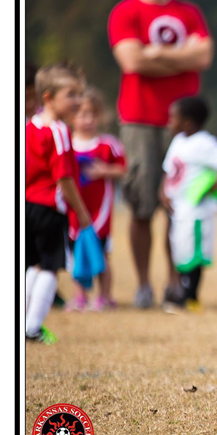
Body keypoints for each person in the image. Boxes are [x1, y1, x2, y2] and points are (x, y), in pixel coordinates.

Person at [108, 0, 214, 309]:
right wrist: (183, 56)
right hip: (141, 120)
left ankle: (174, 283)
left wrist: (156, 53)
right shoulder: (126, 11)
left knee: (178, 206)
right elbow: (132, 62)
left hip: (185, 124)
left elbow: (204, 56)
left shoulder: (189, 11)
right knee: (141, 204)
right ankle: (142, 285)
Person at [24, 63, 92, 342]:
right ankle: (33, 327)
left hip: (26, 207)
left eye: (79, 94)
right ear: (49, 97)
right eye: (71, 94)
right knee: (51, 268)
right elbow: (64, 178)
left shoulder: (29, 126)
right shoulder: (60, 131)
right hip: (50, 209)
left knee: (33, 265)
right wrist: (82, 212)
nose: (78, 101)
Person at [160, 96, 217, 314]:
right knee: (181, 250)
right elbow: (169, 170)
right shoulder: (178, 141)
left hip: (197, 210)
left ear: (188, 122)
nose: (168, 122)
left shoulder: (203, 142)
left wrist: (216, 186)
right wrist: (162, 192)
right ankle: (180, 292)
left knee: (194, 252)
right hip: (179, 209)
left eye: (173, 118)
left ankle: (190, 296)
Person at [67, 92, 128, 311]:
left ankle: (104, 295)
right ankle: (80, 295)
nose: (88, 120)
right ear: (72, 117)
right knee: (76, 252)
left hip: (99, 211)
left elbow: (122, 168)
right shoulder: (67, 143)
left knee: (101, 252)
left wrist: (104, 171)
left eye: (93, 115)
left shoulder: (108, 144)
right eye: (82, 115)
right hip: (73, 210)